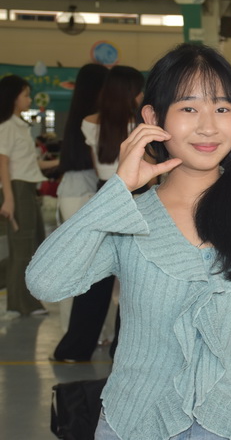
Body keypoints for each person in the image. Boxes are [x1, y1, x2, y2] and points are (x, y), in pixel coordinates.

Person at [27, 44, 231, 440]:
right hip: (134, 422)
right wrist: (117, 189)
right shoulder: (128, 217)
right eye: (189, 108)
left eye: (222, 108)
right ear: (153, 118)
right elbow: (45, 282)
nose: (208, 126)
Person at [51, 65, 144, 362]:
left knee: (96, 278)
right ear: (131, 92)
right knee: (134, 281)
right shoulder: (141, 126)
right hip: (137, 198)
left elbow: (98, 167)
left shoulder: (89, 122)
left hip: (104, 196)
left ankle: (75, 348)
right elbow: (148, 173)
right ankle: (123, 350)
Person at [53, 63, 108, 335]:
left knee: (83, 267)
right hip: (82, 193)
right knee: (81, 267)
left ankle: (77, 333)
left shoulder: (80, 118)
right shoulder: (92, 120)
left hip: (74, 191)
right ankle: (75, 333)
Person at [0, 75, 58, 318]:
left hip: (26, 188)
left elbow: (31, 164)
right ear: (13, 98)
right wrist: (9, 198)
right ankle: (17, 304)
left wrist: (62, 161)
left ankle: (27, 302)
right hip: (17, 189)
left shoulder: (20, 126)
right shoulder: (7, 126)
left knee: (32, 245)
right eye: (25, 94)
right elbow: (3, 163)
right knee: (22, 248)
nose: (29, 99)